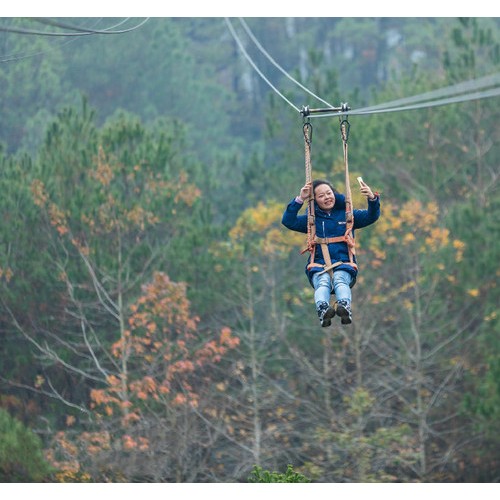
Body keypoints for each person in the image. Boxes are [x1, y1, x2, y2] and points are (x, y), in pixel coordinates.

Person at [281, 178, 380, 326]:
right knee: (323, 282)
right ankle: (323, 308)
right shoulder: (312, 220)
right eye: (321, 196)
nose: (327, 197)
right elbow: (288, 221)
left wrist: (372, 199)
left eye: (329, 193)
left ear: (334, 194)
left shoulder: (347, 215)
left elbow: (371, 216)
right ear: (315, 201)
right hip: (319, 264)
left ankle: (344, 306)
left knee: (340, 278)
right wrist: (300, 199)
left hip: (343, 262)